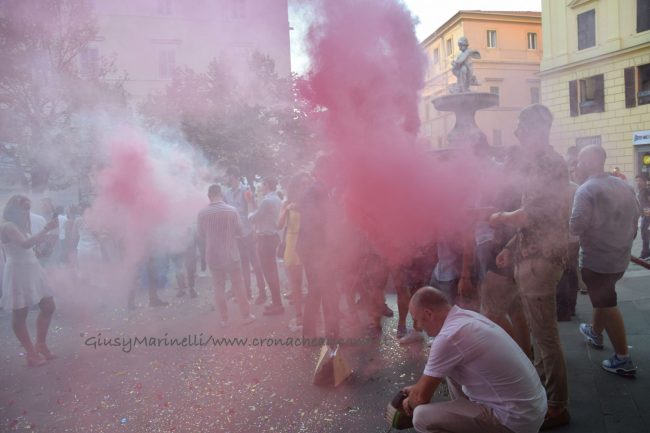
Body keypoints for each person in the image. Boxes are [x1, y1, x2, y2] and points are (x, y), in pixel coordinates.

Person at [488, 104, 571, 429]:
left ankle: (558, 407)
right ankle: (543, 395)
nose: (517, 133)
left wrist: (499, 218)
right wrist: (510, 247)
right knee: (539, 332)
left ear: (536, 130)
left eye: (522, 127)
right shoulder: (541, 162)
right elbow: (538, 216)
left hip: (541, 261)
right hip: (533, 257)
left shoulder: (547, 162)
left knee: (546, 337)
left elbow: (528, 215)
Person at [400, 286, 546, 433]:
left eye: (416, 320)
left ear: (428, 314)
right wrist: (418, 390)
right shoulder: (466, 317)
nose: (417, 327)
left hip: (514, 420)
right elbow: (428, 383)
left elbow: (420, 398)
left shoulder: (449, 337)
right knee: (448, 369)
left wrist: (410, 402)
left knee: (421, 417)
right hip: (532, 409)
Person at [572, 145, 640, 376]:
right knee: (602, 297)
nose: (577, 165)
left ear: (587, 163)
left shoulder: (585, 190)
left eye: (579, 161)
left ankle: (623, 359)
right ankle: (595, 332)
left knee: (607, 303)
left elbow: (575, 226)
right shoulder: (624, 186)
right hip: (619, 259)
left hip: (597, 262)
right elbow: (635, 221)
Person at [1, 195, 59, 366]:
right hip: (18, 271)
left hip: (33, 268)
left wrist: (46, 246)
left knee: (48, 306)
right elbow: (25, 244)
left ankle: (40, 344)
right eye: (23, 208)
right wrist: (46, 229)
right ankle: (31, 353)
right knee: (20, 313)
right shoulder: (7, 225)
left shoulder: (21, 226)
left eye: (28, 208)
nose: (26, 212)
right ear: (13, 209)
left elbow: (30, 247)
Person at [197, 184, 255, 327]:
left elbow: (201, 235)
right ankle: (246, 316)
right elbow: (241, 231)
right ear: (221, 194)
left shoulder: (202, 213)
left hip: (213, 255)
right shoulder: (231, 210)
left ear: (209, 196)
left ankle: (224, 319)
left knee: (218, 287)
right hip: (231, 254)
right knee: (238, 285)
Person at [223, 166, 266, 302]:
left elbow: (254, 209)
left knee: (255, 263)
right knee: (243, 264)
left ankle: (262, 292)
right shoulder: (226, 193)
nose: (225, 178)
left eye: (227, 175)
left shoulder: (246, 190)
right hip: (236, 233)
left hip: (248, 231)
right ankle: (247, 293)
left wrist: (255, 230)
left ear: (232, 176)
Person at [277, 172, 311, 329]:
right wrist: (287, 209)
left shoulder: (313, 201)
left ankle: (313, 314)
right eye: (302, 184)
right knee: (296, 284)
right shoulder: (287, 202)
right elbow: (279, 225)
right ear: (296, 186)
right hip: (292, 243)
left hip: (310, 243)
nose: (305, 186)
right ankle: (299, 315)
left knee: (313, 284)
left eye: (308, 183)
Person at [248, 177, 285, 316]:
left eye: (262, 184)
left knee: (269, 272)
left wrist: (249, 212)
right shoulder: (277, 199)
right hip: (272, 236)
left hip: (266, 238)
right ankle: (276, 302)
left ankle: (277, 304)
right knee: (271, 271)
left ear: (267, 184)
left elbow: (254, 218)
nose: (261, 187)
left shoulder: (267, 201)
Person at [635, 174, 650, 259]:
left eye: (639, 181)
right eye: (636, 181)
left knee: (645, 235)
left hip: (647, 216)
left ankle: (645, 253)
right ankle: (646, 252)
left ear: (644, 181)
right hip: (644, 216)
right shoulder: (641, 191)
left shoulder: (647, 191)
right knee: (645, 234)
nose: (637, 182)